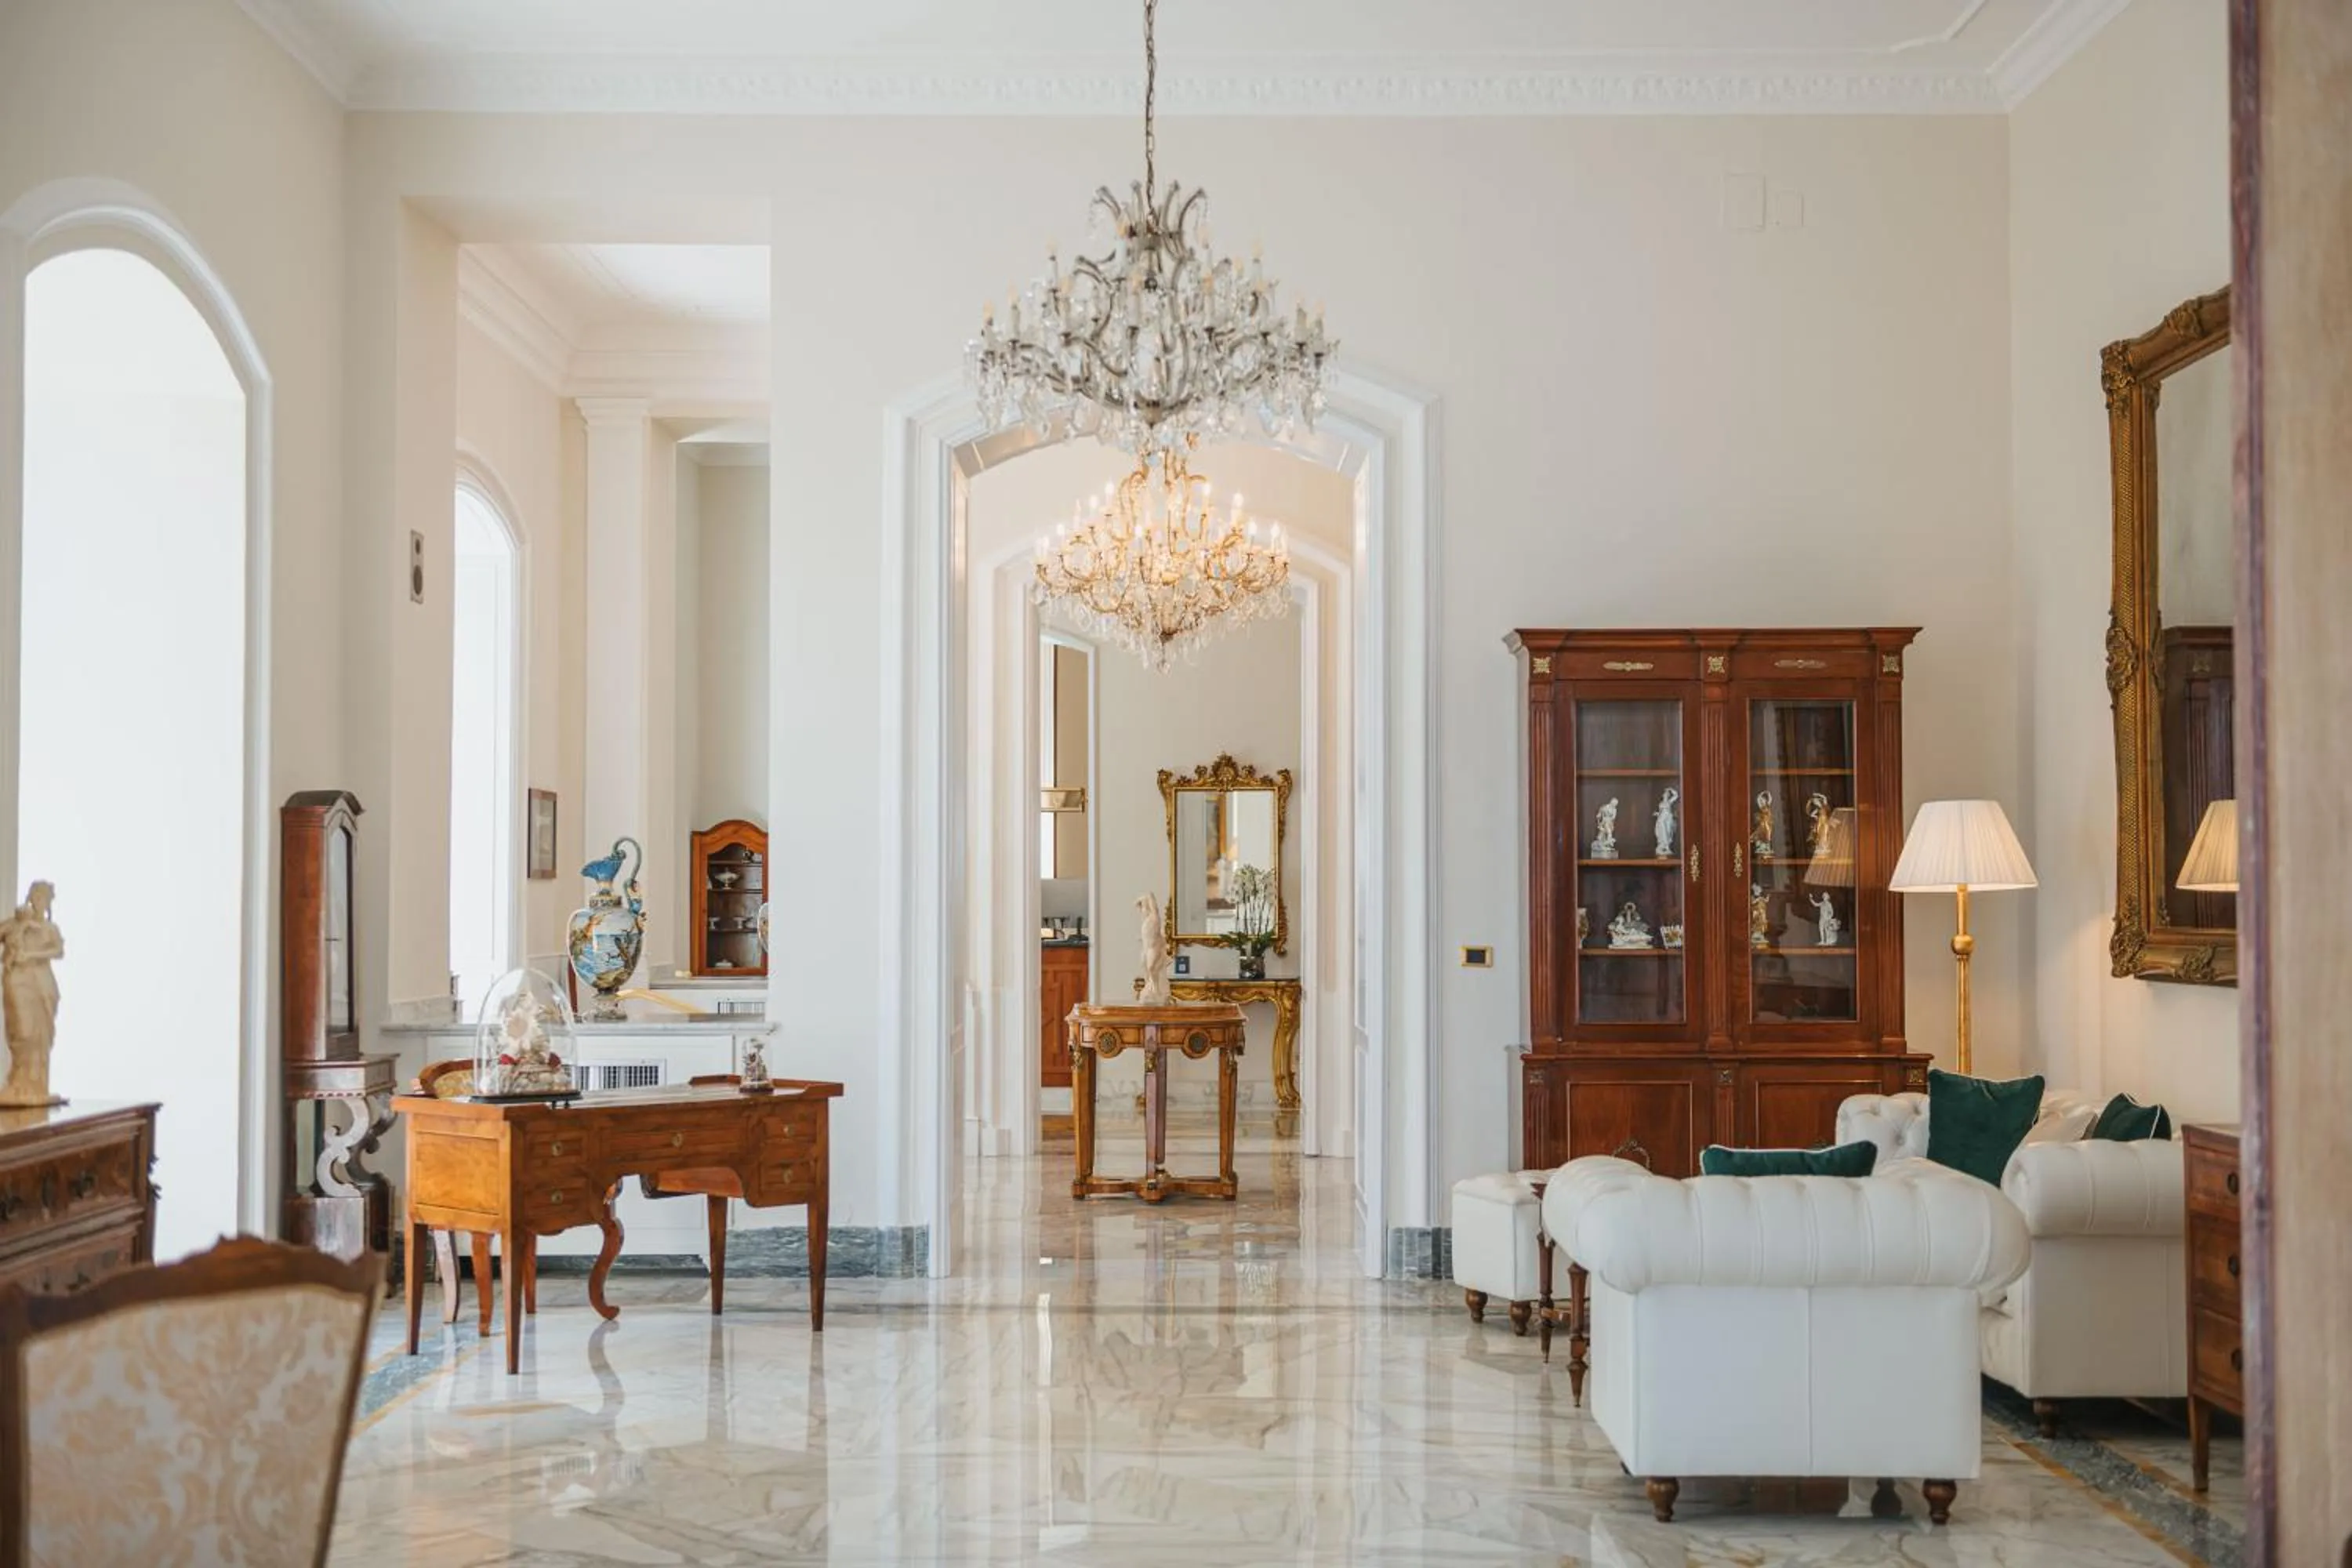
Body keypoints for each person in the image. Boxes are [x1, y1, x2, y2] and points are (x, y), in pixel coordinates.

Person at [0, 882, 65, 1107]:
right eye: (36, 897)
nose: (39, 902)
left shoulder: (49, 928)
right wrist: (20, 927)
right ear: (30, 898)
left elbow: (58, 950)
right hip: (18, 980)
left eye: (44, 898)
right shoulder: (14, 924)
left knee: (40, 1035)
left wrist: (31, 955)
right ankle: (18, 1082)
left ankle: (35, 1085)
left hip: (41, 982)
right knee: (22, 1030)